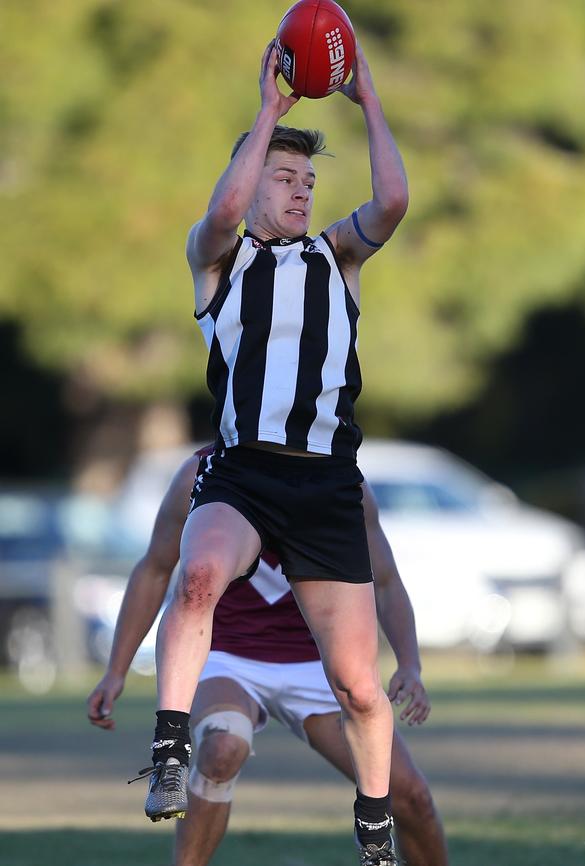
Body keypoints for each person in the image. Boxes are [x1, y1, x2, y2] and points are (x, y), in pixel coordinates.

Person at [147, 36, 409, 865]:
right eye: (285, 179)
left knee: (360, 688)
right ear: (252, 177)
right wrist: (269, 114)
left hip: (328, 483)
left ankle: (373, 819)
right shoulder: (219, 259)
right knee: (197, 576)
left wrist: (367, 99)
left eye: (309, 183)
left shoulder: (337, 255)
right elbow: (221, 214)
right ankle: (169, 752)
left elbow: (395, 202)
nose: (301, 192)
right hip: (245, 472)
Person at [87, 450, 448, 866]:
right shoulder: (203, 476)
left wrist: (410, 663)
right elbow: (154, 569)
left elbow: (384, 581)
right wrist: (115, 671)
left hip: (319, 664)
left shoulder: (339, 481)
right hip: (228, 657)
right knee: (223, 746)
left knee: (411, 796)